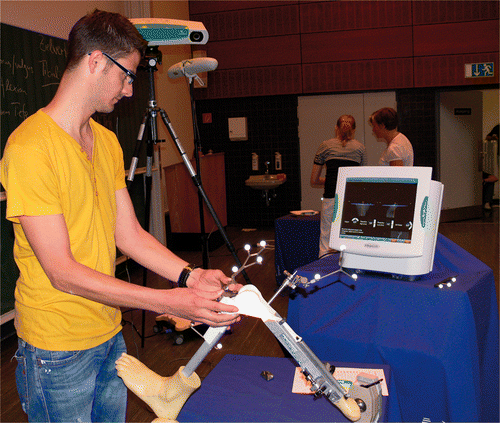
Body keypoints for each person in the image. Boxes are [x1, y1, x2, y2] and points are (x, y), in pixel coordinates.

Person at [0, 10, 240, 423]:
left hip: (110, 334)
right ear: (95, 61)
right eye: (126, 75)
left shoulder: (107, 142)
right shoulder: (30, 148)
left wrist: (190, 276)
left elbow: (128, 233)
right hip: (56, 348)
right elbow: (63, 273)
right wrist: (167, 300)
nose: (130, 91)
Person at [311, 115, 367, 258]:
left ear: (336, 128)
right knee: (350, 237)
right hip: (351, 200)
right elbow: (362, 179)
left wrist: (331, 179)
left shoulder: (325, 146)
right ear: (353, 130)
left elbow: (314, 180)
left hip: (331, 196)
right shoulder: (360, 149)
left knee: (326, 239)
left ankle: (324, 270)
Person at [483, 124, 499, 210]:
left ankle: (487, 202)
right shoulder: (498, 127)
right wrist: (495, 138)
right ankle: (487, 202)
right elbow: (488, 137)